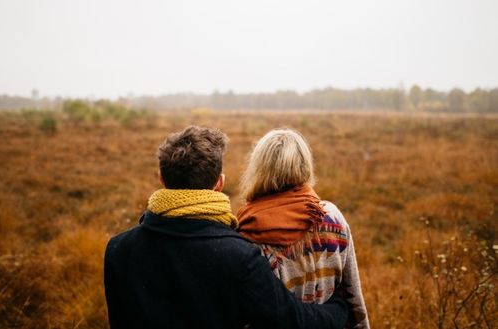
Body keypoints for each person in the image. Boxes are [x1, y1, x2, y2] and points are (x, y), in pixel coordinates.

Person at [104, 126, 349, 329]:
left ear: (161, 178)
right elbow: (291, 320)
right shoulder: (239, 255)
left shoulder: (118, 250)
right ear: (219, 183)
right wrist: (337, 310)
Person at [237, 129, 370, 329]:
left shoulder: (249, 230)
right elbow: (352, 294)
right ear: (304, 165)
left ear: (259, 169)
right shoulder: (332, 217)